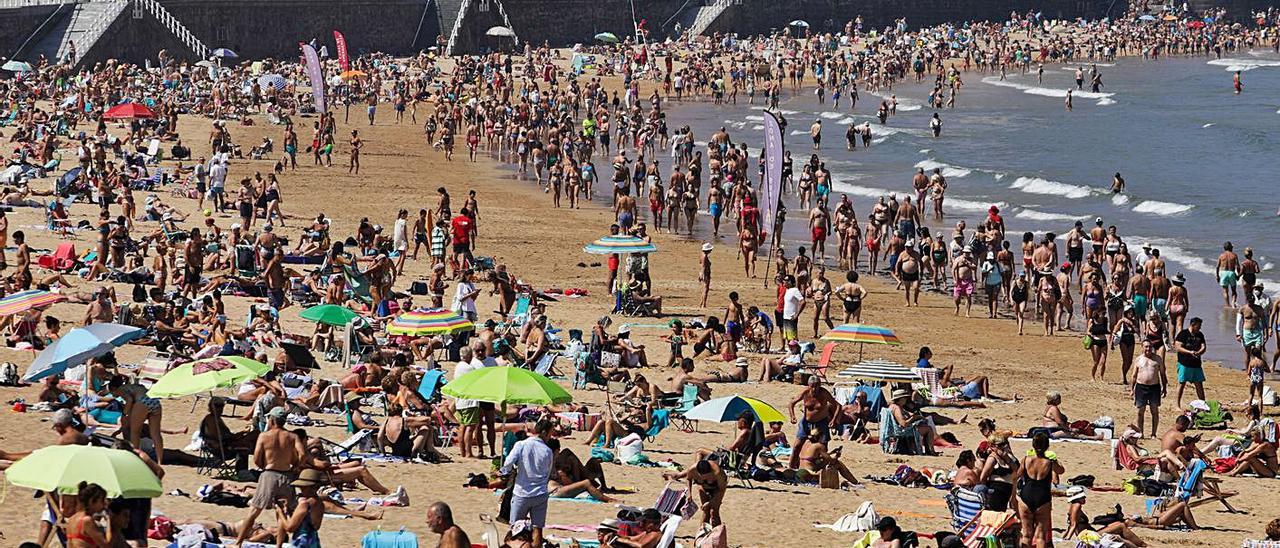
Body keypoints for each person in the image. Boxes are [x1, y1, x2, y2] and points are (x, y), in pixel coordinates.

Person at [235, 408, 305, 546]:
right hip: (286, 474)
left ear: (272, 420)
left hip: (269, 474)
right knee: (282, 513)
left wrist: (263, 465)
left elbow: (256, 458)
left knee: (254, 510)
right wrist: (296, 466)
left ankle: (238, 543)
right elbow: (302, 454)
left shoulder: (264, 436)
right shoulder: (292, 436)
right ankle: (278, 545)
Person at [499, 418, 555, 547]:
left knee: (515, 528)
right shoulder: (547, 451)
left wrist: (504, 472)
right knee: (538, 529)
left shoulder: (521, 445)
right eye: (550, 433)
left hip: (522, 492)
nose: (550, 437)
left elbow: (508, 462)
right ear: (545, 432)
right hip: (540, 493)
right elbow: (548, 473)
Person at [1015, 433, 1063, 548]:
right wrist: (1055, 461)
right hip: (1043, 497)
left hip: (1026, 496)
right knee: (1041, 536)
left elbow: (1019, 474)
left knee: (1026, 534)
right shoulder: (1049, 462)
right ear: (1047, 446)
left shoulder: (1026, 459)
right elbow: (1061, 471)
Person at [1063, 486, 1147, 547]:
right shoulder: (1077, 506)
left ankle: (1135, 543)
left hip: (1090, 533)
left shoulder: (1073, 506)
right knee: (1120, 526)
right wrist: (1067, 539)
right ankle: (1142, 545)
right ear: (1077, 498)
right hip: (1090, 536)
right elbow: (1073, 524)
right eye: (1082, 496)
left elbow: (1071, 523)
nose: (1085, 498)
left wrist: (1065, 536)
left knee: (1117, 523)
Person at [787, 375, 839, 469]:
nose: (815, 389)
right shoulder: (805, 392)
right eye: (812, 386)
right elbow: (791, 403)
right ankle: (791, 467)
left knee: (822, 448)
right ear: (809, 385)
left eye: (817, 386)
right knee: (797, 446)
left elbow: (838, 406)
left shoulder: (824, 393)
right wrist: (792, 416)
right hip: (806, 423)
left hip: (821, 423)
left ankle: (821, 468)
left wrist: (834, 420)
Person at [276, 468, 325, 548]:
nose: (301, 489)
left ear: (313, 487)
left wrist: (281, 512)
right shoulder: (320, 503)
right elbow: (316, 526)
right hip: (313, 542)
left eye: (303, 487)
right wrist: (287, 512)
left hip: (301, 543)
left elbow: (290, 528)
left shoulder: (304, 504)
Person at [1131, 339, 1167, 439]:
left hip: (1154, 387)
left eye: (1150, 347)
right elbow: (1134, 375)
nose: (1148, 349)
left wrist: (1164, 387)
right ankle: (1141, 432)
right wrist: (1132, 389)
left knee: (1154, 410)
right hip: (1141, 387)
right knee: (1140, 411)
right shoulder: (1138, 359)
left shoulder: (1158, 359)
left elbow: (1163, 374)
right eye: (1146, 346)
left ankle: (1153, 433)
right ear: (1142, 348)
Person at [1173, 317, 1207, 409]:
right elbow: (1177, 347)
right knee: (1181, 384)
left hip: (1196, 364)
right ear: (1193, 325)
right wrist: (1190, 352)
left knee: (1199, 385)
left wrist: (1199, 352)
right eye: (1198, 326)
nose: (1200, 328)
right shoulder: (1183, 334)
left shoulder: (1200, 335)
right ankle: (1177, 405)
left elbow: (1203, 346)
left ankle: (1203, 405)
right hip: (1184, 363)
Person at [66, 482, 110, 548]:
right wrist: (109, 520)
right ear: (91, 501)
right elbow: (106, 545)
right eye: (102, 501)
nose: (104, 505)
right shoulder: (87, 521)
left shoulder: (71, 519)